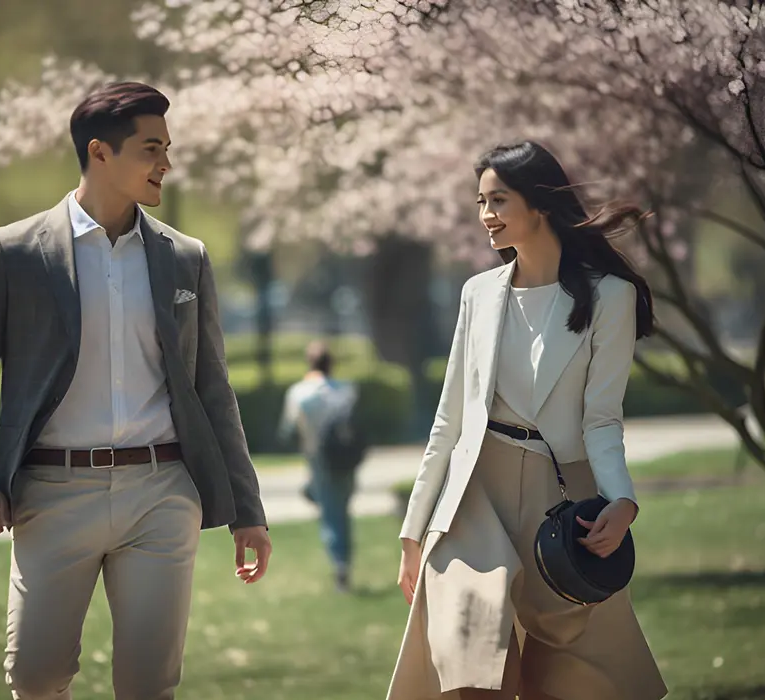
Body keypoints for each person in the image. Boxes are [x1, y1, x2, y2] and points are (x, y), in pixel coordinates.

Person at [0, 82, 272, 700]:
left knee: (149, 686)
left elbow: (212, 388)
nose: (166, 165)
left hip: (162, 491)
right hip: (52, 492)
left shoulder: (186, 258)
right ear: (100, 152)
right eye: (152, 149)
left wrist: (247, 512)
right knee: (35, 678)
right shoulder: (12, 253)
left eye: (167, 148)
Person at [386, 142, 667, 700]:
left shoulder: (611, 297)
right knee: (471, 664)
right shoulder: (478, 294)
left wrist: (622, 501)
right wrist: (414, 531)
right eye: (480, 201)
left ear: (538, 203)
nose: (486, 214)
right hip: (474, 500)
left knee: (568, 678)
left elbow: (603, 420)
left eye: (498, 199)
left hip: (561, 496)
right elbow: (449, 420)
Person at [279, 341, 361, 591]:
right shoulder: (347, 390)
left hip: (319, 459)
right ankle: (343, 559)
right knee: (342, 510)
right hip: (348, 459)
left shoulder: (300, 393)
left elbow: (289, 429)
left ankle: (340, 565)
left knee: (331, 514)